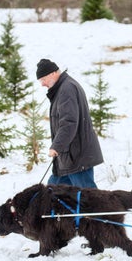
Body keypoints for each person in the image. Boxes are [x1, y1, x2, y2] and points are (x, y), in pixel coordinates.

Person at [36, 58, 104, 189]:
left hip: (78, 156)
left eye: (43, 80)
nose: (42, 84)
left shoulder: (67, 89)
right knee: (52, 191)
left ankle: (104, 210)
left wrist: (56, 146)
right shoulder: (63, 88)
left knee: (88, 196)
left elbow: (69, 122)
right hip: (68, 157)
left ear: (52, 74)